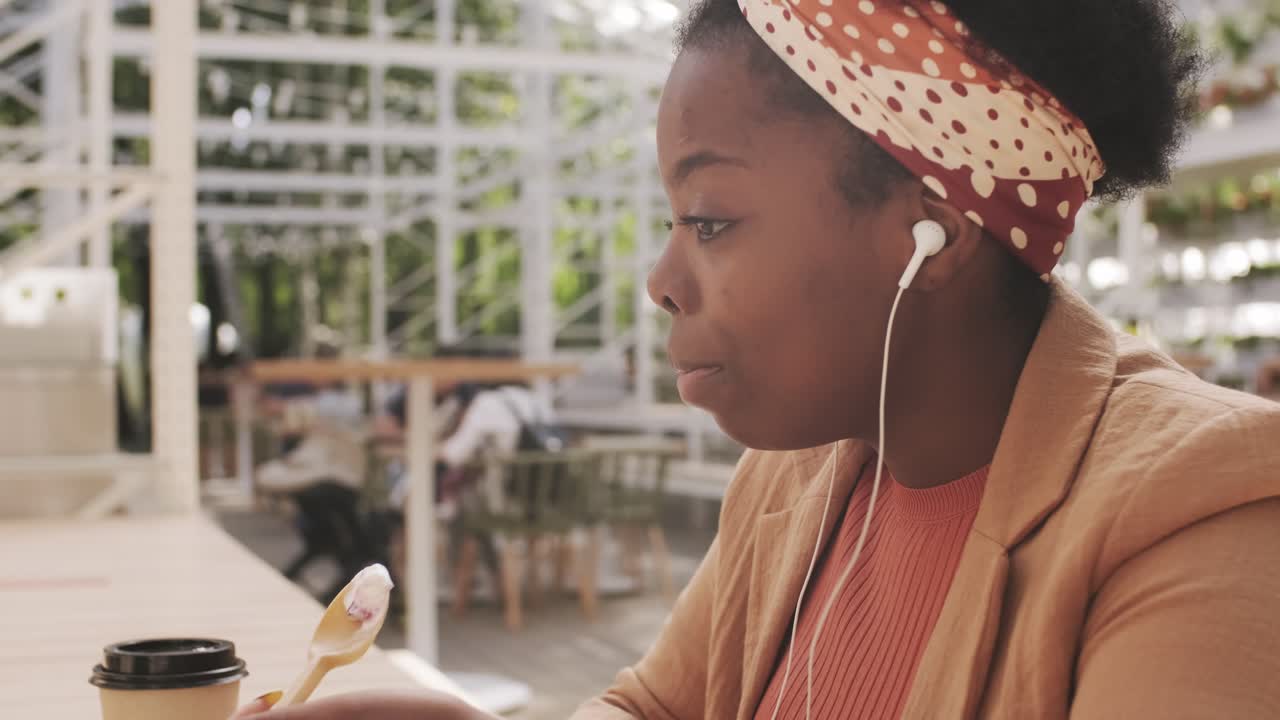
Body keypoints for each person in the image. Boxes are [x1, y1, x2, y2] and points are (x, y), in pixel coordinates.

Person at [235, 1, 1280, 718]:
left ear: (935, 231)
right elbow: (655, 705)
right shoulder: (796, 478)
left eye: (709, 219)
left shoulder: (1204, 513)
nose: (659, 278)